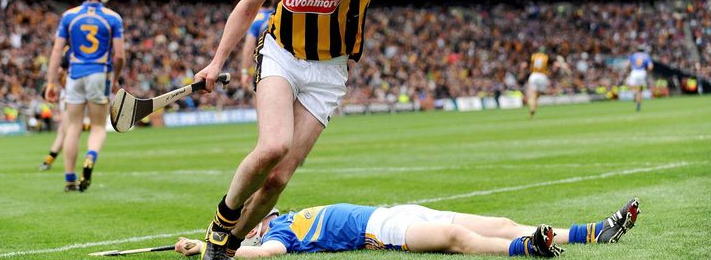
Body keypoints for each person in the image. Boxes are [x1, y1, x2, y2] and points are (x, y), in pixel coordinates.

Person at [192, 0, 424, 260]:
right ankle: (221, 222)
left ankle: (228, 245)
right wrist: (216, 62)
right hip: (281, 54)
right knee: (272, 148)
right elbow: (248, 6)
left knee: (278, 178)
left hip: (330, 71)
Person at [176, 198, 640, 258]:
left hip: (401, 209)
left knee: (497, 220)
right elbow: (271, 255)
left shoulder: (283, 216)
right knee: (457, 242)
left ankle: (593, 233)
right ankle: (526, 249)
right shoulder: (282, 237)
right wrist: (211, 249)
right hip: (387, 231)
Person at [44, 0, 125, 192]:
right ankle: (90, 158)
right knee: (98, 127)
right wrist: (114, 77)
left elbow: (56, 51)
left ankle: (69, 179)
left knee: (73, 127)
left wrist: (51, 82)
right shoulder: (113, 18)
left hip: (74, 74)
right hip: (99, 73)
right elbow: (119, 56)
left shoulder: (69, 16)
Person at [239, 0, 274, 92]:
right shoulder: (279, 16)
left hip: (263, 66)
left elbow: (248, 48)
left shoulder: (256, 19)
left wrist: (245, 72)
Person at [525, 47, 569, 118]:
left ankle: (532, 107)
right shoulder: (546, 57)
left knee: (532, 95)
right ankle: (533, 110)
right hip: (543, 76)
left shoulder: (533, 56)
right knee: (537, 96)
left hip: (534, 75)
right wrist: (563, 65)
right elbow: (555, 64)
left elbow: (525, 64)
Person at [626, 45, 653, 112]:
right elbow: (650, 67)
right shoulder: (646, 56)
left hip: (635, 72)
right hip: (643, 72)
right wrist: (647, 72)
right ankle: (638, 105)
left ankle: (634, 93)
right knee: (640, 90)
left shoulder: (634, 55)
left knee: (629, 84)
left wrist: (628, 71)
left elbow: (628, 64)